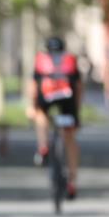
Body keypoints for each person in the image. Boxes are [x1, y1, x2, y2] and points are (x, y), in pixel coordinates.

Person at [27, 36, 82, 199]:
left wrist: (32, 106)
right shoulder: (70, 61)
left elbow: (33, 86)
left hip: (47, 95)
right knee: (70, 138)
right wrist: (76, 110)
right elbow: (78, 86)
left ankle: (43, 146)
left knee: (41, 114)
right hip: (68, 98)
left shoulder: (41, 60)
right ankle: (72, 181)